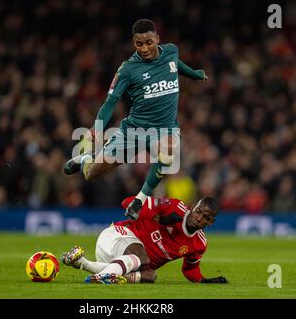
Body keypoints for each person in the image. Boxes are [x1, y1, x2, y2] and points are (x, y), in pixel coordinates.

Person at [64, 19, 208, 220]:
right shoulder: (128, 69)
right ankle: (86, 158)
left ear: (157, 38)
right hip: (134, 131)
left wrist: (194, 74)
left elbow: (176, 65)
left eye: (149, 42)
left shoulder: (171, 51)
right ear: (134, 43)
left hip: (165, 130)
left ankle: (139, 200)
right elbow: (110, 101)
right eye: (139, 44)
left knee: (168, 156)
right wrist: (98, 127)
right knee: (92, 175)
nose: (145, 48)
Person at [62, 195, 228, 285]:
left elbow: (190, 270)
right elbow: (127, 203)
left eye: (205, 217)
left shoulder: (199, 244)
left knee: (149, 276)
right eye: (198, 211)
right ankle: (101, 278)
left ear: (211, 223)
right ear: (193, 207)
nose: (199, 218)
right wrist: (159, 218)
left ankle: (81, 262)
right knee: (141, 258)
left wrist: (205, 281)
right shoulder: (173, 206)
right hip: (117, 236)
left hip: (122, 263)